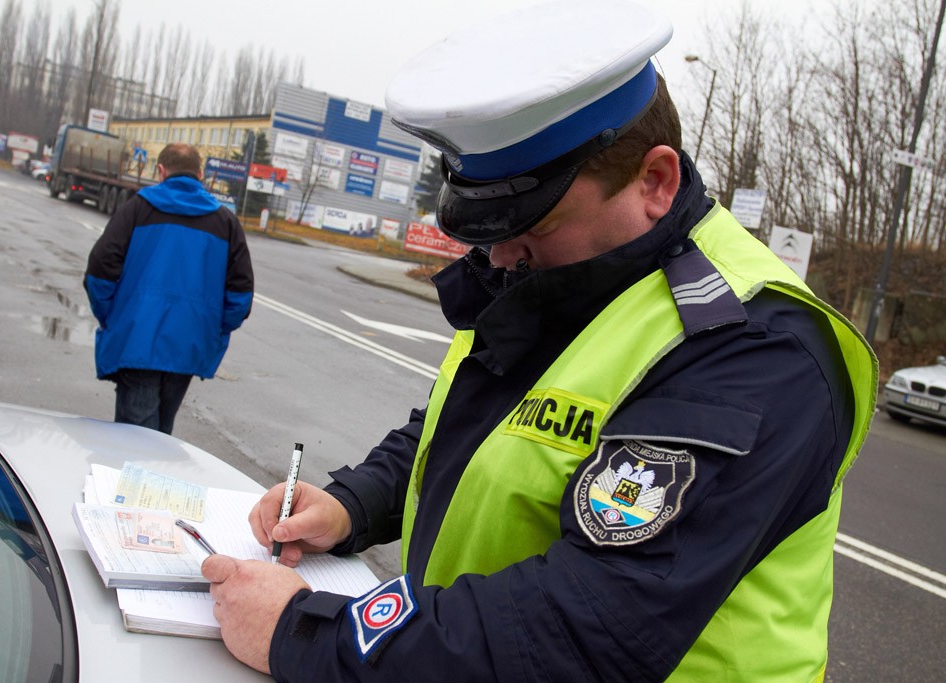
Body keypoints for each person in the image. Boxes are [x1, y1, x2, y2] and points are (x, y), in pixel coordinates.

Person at [203, 1, 878, 680]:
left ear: (655, 180)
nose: (499, 259)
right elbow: (466, 429)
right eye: (490, 230)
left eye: (533, 224)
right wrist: (357, 502)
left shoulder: (751, 347)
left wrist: (308, 635)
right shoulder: (572, 272)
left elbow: (587, 627)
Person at [84, 143, 254, 434]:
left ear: (161, 171)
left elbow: (99, 271)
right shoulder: (225, 222)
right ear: (200, 173)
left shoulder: (137, 208)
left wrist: (113, 317)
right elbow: (240, 295)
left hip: (137, 339)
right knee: (160, 434)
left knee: (134, 440)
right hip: (189, 345)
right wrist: (210, 330)